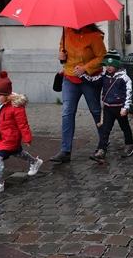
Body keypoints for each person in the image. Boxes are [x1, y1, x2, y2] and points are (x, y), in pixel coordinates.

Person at [50, 23, 107, 164]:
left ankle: (103, 142)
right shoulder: (66, 31)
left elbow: (102, 58)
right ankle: (65, 150)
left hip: (89, 80)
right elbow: (62, 53)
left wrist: (85, 68)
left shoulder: (94, 36)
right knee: (67, 112)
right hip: (69, 78)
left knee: (95, 110)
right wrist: (62, 57)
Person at [82, 50, 133, 162]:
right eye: (107, 65)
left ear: (117, 65)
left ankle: (130, 145)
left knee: (125, 127)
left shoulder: (124, 78)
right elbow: (94, 81)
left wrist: (125, 108)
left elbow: (128, 93)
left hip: (119, 108)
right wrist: (83, 75)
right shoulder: (104, 76)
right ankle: (101, 150)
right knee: (105, 129)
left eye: (111, 65)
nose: (108, 67)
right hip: (108, 108)